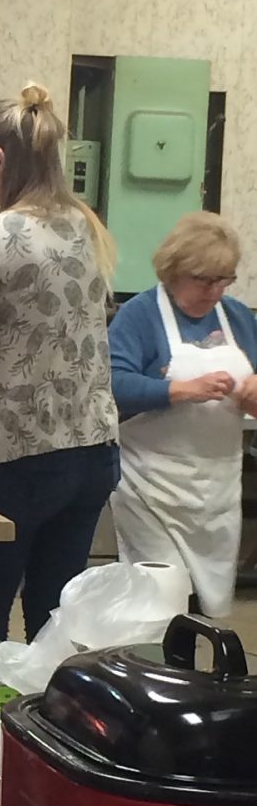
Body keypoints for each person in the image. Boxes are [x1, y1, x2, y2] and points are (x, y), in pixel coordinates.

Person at [0, 83, 120, 644]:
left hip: (17, 459)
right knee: (53, 622)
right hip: (92, 453)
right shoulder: (86, 226)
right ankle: (47, 724)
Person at [108, 212, 257, 617]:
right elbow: (113, 384)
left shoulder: (239, 318)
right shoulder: (139, 316)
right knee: (161, 599)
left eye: (223, 279)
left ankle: (195, 679)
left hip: (217, 488)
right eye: (203, 279)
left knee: (207, 607)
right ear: (173, 270)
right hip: (151, 486)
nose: (213, 291)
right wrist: (182, 389)